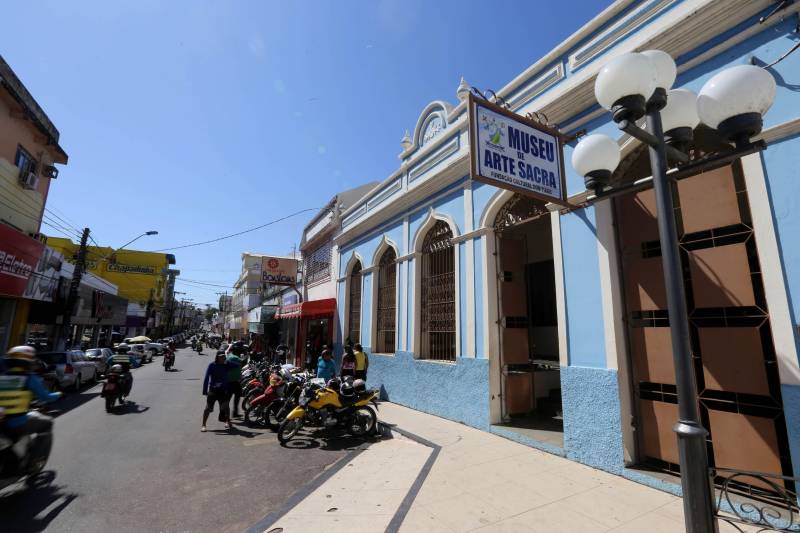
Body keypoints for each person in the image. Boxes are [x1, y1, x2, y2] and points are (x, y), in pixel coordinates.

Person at [0, 346, 62, 470]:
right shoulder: (29, 378)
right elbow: (45, 397)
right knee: (48, 423)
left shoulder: (2, 376)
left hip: (2, 421)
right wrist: (59, 394)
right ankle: (34, 463)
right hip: (18, 421)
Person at [202, 351, 231, 432]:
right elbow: (206, 378)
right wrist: (205, 390)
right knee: (208, 408)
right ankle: (203, 425)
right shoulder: (212, 365)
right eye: (221, 356)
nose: (222, 358)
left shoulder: (226, 365)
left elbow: (236, 365)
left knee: (226, 406)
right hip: (213, 390)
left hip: (223, 390)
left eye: (223, 356)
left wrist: (228, 361)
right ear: (217, 357)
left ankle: (227, 422)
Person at [225, 345, 244, 418]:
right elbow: (241, 362)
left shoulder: (229, 355)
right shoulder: (234, 357)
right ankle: (228, 414)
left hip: (232, 381)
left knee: (237, 395)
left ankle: (234, 412)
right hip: (232, 381)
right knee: (230, 398)